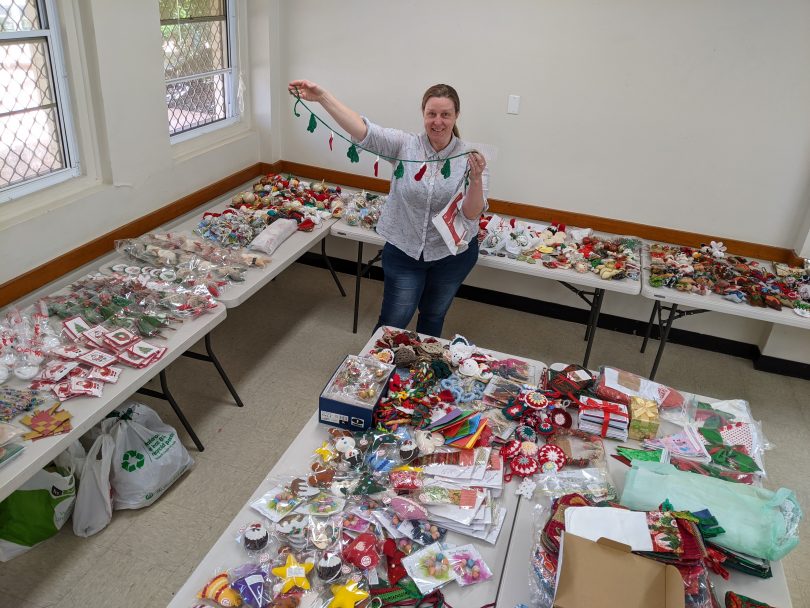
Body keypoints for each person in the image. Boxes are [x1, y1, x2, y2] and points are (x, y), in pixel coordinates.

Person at [288, 80, 489, 337]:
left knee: (433, 315)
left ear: (456, 115)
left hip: (452, 255)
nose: (438, 121)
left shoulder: (471, 157)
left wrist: (477, 178)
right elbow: (364, 131)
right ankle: (377, 368)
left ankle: (420, 369)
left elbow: (471, 214)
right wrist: (323, 97)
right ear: (423, 114)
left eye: (445, 114)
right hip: (405, 249)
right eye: (432, 114)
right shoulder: (404, 145)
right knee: (394, 319)